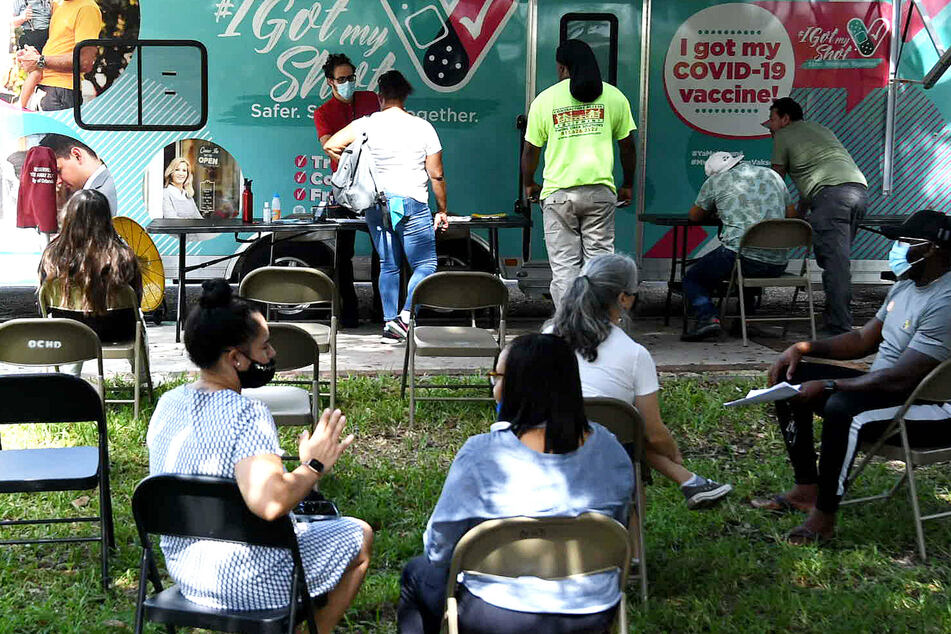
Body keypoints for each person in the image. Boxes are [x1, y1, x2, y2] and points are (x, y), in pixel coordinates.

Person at [147, 279, 373, 630]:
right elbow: (269, 503)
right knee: (359, 536)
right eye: (265, 347)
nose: (271, 356)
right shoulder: (247, 415)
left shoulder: (167, 405)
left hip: (187, 572)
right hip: (248, 582)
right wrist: (313, 465)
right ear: (235, 357)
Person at [398, 333, 633, 633]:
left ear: (515, 387)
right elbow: (618, 524)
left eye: (497, 376)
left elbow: (438, 548)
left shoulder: (482, 453)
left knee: (417, 573)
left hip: (495, 611)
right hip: (591, 612)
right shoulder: (610, 448)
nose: (493, 384)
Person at [753, 210, 951, 543]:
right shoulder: (905, 286)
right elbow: (862, 340)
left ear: (930, 249)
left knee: (843, 408)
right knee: (791, 377)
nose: (897, 248)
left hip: (931, 409)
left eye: (905, 242)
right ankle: (806, 489)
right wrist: (804, 348)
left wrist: (829, 385)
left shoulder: (945, 301)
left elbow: (901, 379)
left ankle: (823, 519)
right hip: (890, 393)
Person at [548, 253, 733, 509]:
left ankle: (691, 481)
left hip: (543, 440)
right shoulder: (634, 353)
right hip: (609, 448)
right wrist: (674, 453)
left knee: (612, 423)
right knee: (628, 428)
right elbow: (653, 432)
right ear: (623, 299)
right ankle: (643, 529)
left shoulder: (547, 336)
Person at [324, 70, 449, 345]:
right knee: (426, 263)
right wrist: (442, 209)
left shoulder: (366, 124)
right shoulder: (423, 126)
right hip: (412, 201)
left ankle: (390, 323)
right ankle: (405, 317)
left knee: (388, 264)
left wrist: (354, 162)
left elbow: (332, 144)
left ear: (380, 97)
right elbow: (436, 174)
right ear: (405, 96)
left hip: (377, 203)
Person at [521, 39, 637, 308]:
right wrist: (627, 184)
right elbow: (627, 147)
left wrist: (529, 183)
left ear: (563, 68)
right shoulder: (614, 97)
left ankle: (568, 326)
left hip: (558, 195)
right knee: (599, 265)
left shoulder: (545, 100)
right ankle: (602, 323)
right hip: (599, 194)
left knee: (564, 268)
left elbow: (530, 149)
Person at [765, 96, 868, 336]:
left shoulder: (783, 135)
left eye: (772, 119)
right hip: (858, 192)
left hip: (832, 199)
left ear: (785, 118)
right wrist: (800, 216)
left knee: (835, 264)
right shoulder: (821, 129)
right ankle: (836, 319)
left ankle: (839, 327)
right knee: (837, 261)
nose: (770, 125)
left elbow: (774, 179)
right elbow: (811, 186)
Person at [681, 151, 797, 341]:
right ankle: (744, 322)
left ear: (714, 173)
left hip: (741, 257)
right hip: (778, 260)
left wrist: (717, 210)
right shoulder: (773, 176)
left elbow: (694, 216)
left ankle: (707, 317)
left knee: (693, 278)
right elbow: (792, 216)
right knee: (746, 265)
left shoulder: (715, 181)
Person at [314, 52, 383, 328]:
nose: (348, 83)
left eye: (351, 78)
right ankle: (349, 311)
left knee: (383, 250)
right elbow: (330, 147)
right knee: (343, 254)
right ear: (330, 82)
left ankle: (382, 311)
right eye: (342, 79)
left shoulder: (370, 100)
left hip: (377, 188)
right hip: (344, 191)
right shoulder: (324, 112)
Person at [38, 189, 141, 347]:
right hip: (118, 332)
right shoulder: (123, 256)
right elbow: (136, 300)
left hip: (66, 334)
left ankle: (70, 371)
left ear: (68, 217)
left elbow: (43, 304)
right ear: (107, 219)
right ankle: (140, 371)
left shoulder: (52, 256)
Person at [15, 0, 102, 112]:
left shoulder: (87, 8)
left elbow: (84, 62)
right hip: (43, 88)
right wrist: (32, 57)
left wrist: (40, 60)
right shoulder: (58, 4)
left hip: (60, 91)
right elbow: (58, 47)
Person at [39, 134, 117, 215]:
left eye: (58, 171)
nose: (57, 181)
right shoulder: (105, 189)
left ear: (77, 155)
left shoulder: (101, 197)